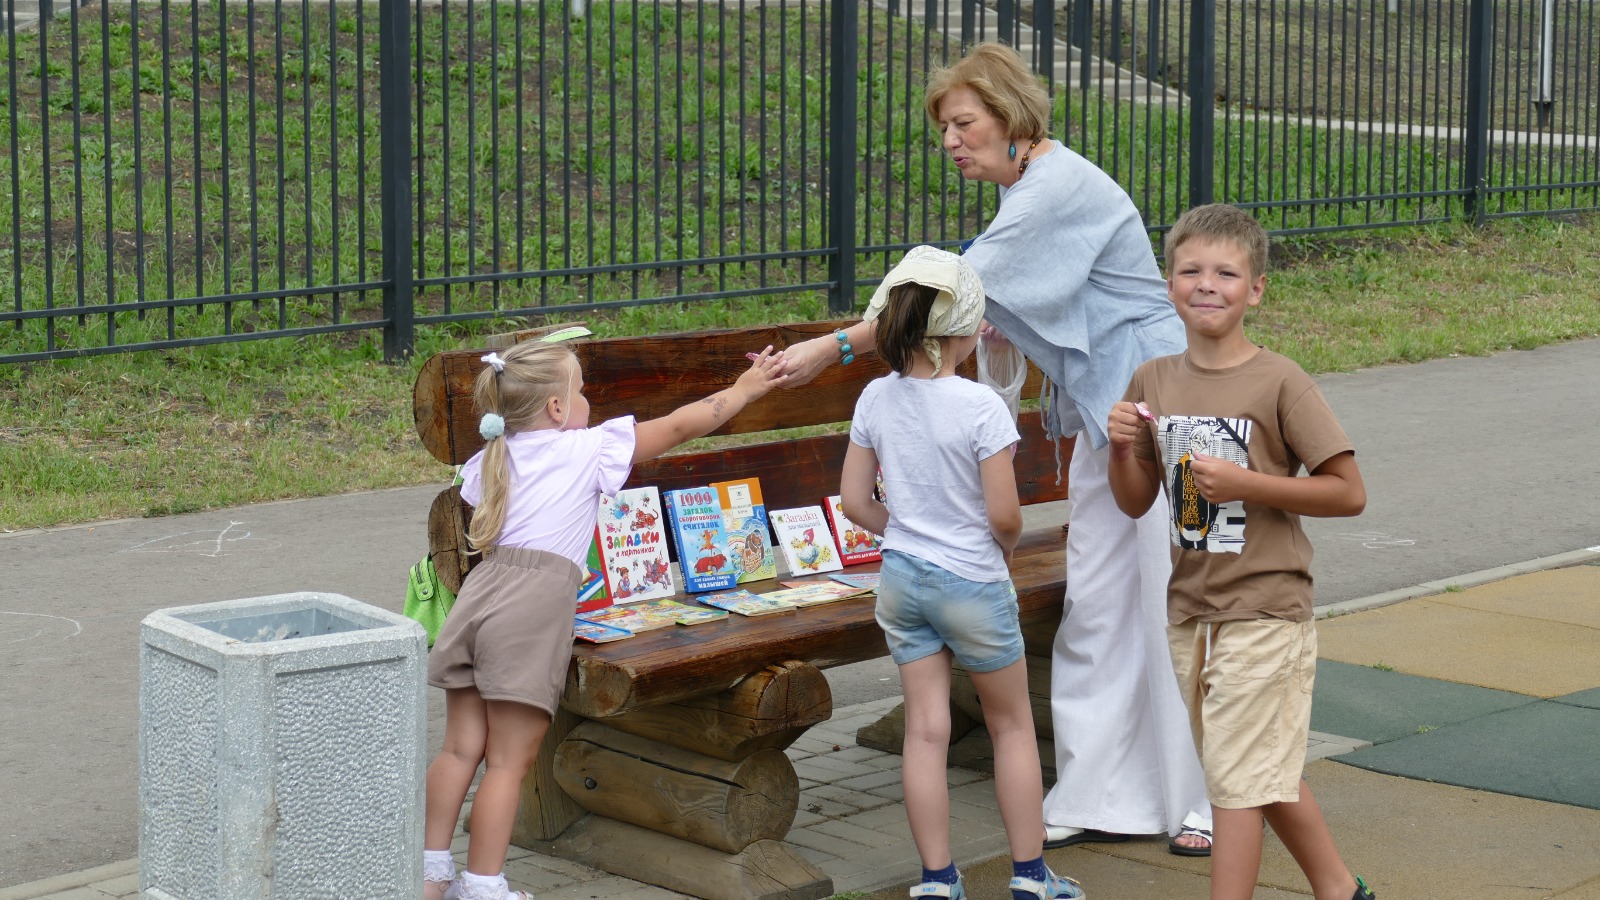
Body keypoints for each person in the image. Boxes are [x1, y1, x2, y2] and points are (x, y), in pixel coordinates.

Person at [780, 41, 1213, 855]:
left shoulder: (1054, 188)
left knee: (1175, 596)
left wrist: (828, 349)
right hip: (1103, 420)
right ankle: (1104, 789)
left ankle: (1207, 797)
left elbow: (949, 296)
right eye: (943, 125)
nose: (950, 139)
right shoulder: (1029, 192)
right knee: (1101, 601)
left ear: (1012, 117)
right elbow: (972, 305)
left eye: (964, 121)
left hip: (1165, 414)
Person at [421, 340, 786, 900]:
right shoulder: (588, 449)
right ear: (557, 410)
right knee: (508, 763)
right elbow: (680, 427)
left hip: (481, 597)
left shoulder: (491, 457)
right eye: (582, 391)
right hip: (530, 612)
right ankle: (484, 887)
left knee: (459, 750)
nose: (589, 401)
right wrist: (744, 390)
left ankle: (430, 873)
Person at [1105, 203, 1374, 900]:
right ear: (1169, 285)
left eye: (1226, 272)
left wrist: (1248, 482)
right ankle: (1340, 889)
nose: (1206, 284)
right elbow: (1135, 500)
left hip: (1267, 605)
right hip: (1192, 606)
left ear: (1254, 288)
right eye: (1190, 270)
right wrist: (1118, 447)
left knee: (1233, 781)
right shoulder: (1152, 381)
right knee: (1255, 770)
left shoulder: (1279, 380)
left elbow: (1348, 492)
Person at [839, 245, 1084, 900]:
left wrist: (910, 532)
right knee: (1010, 727)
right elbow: (1005, 516)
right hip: (972, 581)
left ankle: (937, 880)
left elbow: (856, 502)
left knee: (925, 729)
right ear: (970, 331)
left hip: (902, 582)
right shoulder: (980, 407)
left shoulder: (874, 397)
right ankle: (1031, 875)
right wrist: (995, 545)